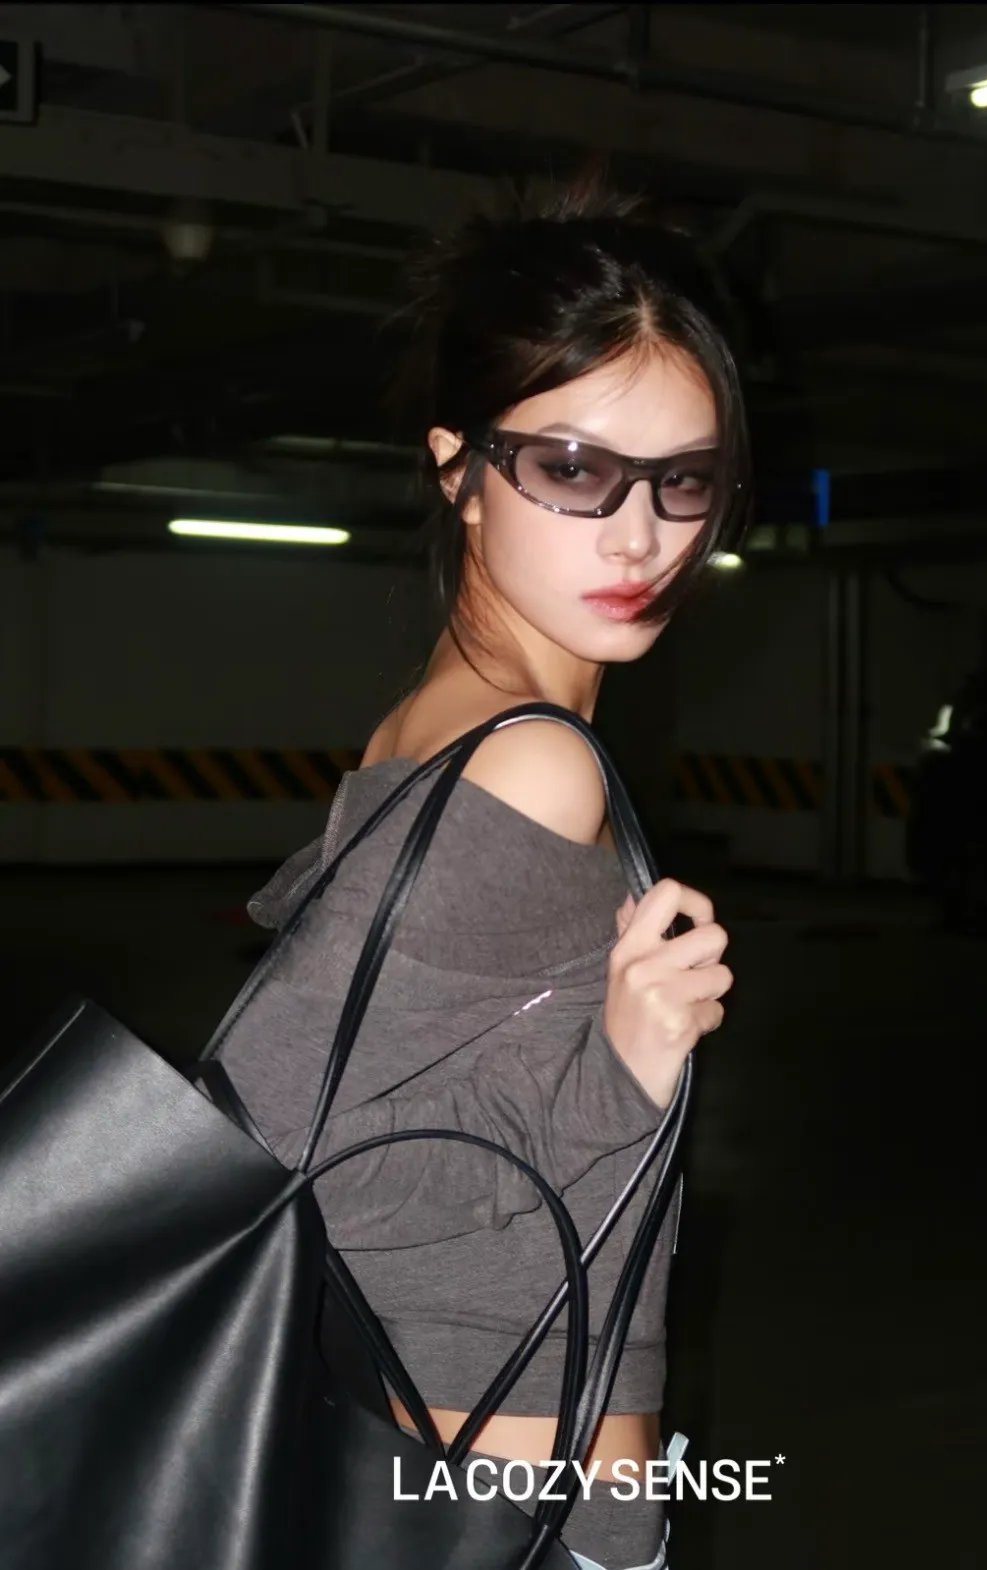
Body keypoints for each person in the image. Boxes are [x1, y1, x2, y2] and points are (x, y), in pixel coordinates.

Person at [214, 177, 750, 1570]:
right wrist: (617, 1068)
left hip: (444, 1460)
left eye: (682, 479)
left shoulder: (435, 722)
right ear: (457, 467)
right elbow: (292, 1157)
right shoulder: (532, 763)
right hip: (519, 1504)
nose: (638, 534)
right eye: (572, 468)